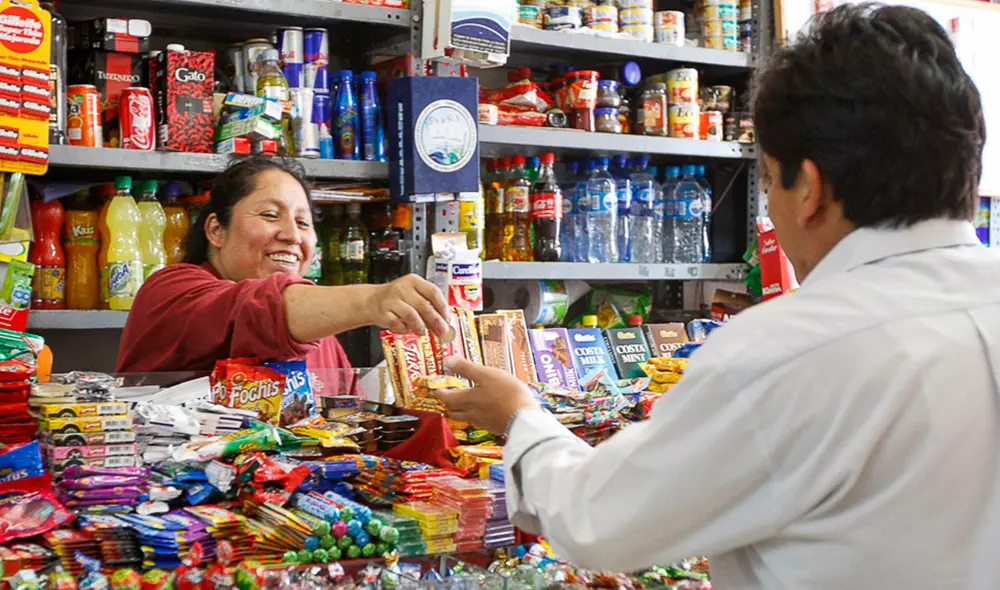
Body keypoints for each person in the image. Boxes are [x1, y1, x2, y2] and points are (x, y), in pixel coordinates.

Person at [437, 5, 1000, 588]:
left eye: (767, 179)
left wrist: (521, 420)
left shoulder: (791, 350)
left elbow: (599, 522)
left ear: (808, 188)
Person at [117, 156, 450, 393]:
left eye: (304, 222)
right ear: (217, 230)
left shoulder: (318, 330)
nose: (292, 235)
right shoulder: (172, 291)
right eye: (270, 215)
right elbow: (257, 308)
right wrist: (373, 299)